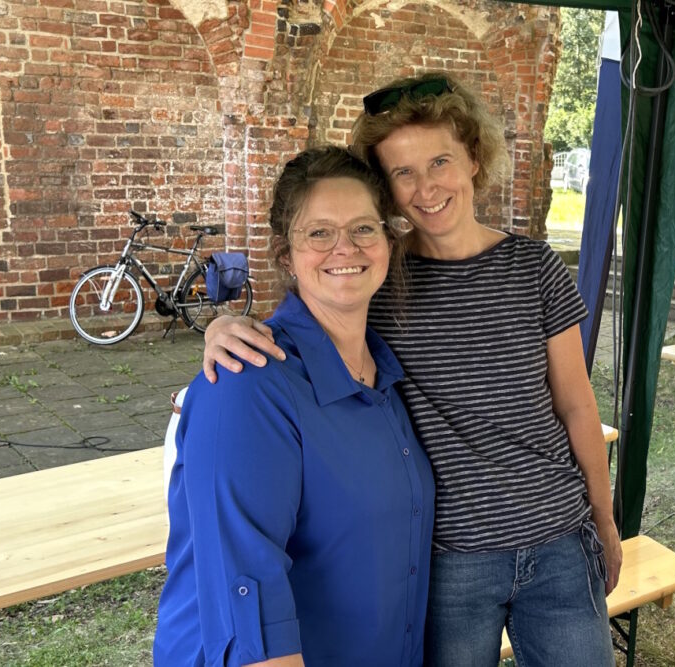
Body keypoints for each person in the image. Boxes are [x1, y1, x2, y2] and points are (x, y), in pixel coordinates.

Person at [203, 73, 621, 667]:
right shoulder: (381, 274)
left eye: (440, 161)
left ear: (474, 158)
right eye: (402, 172)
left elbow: (577, 405)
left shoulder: (534, 267)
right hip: (450, 558)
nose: (426, 187)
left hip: (558, 536)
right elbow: (311, 314)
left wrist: (604, 519)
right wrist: (224, 329)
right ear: (386, 190)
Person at [154, 146, 434, 667]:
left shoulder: (387, 376)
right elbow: (248, 601)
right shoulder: (246, 384)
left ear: (389, 242)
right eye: (319, 233)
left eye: (363, 229)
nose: (344, 247)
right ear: (286, 254)